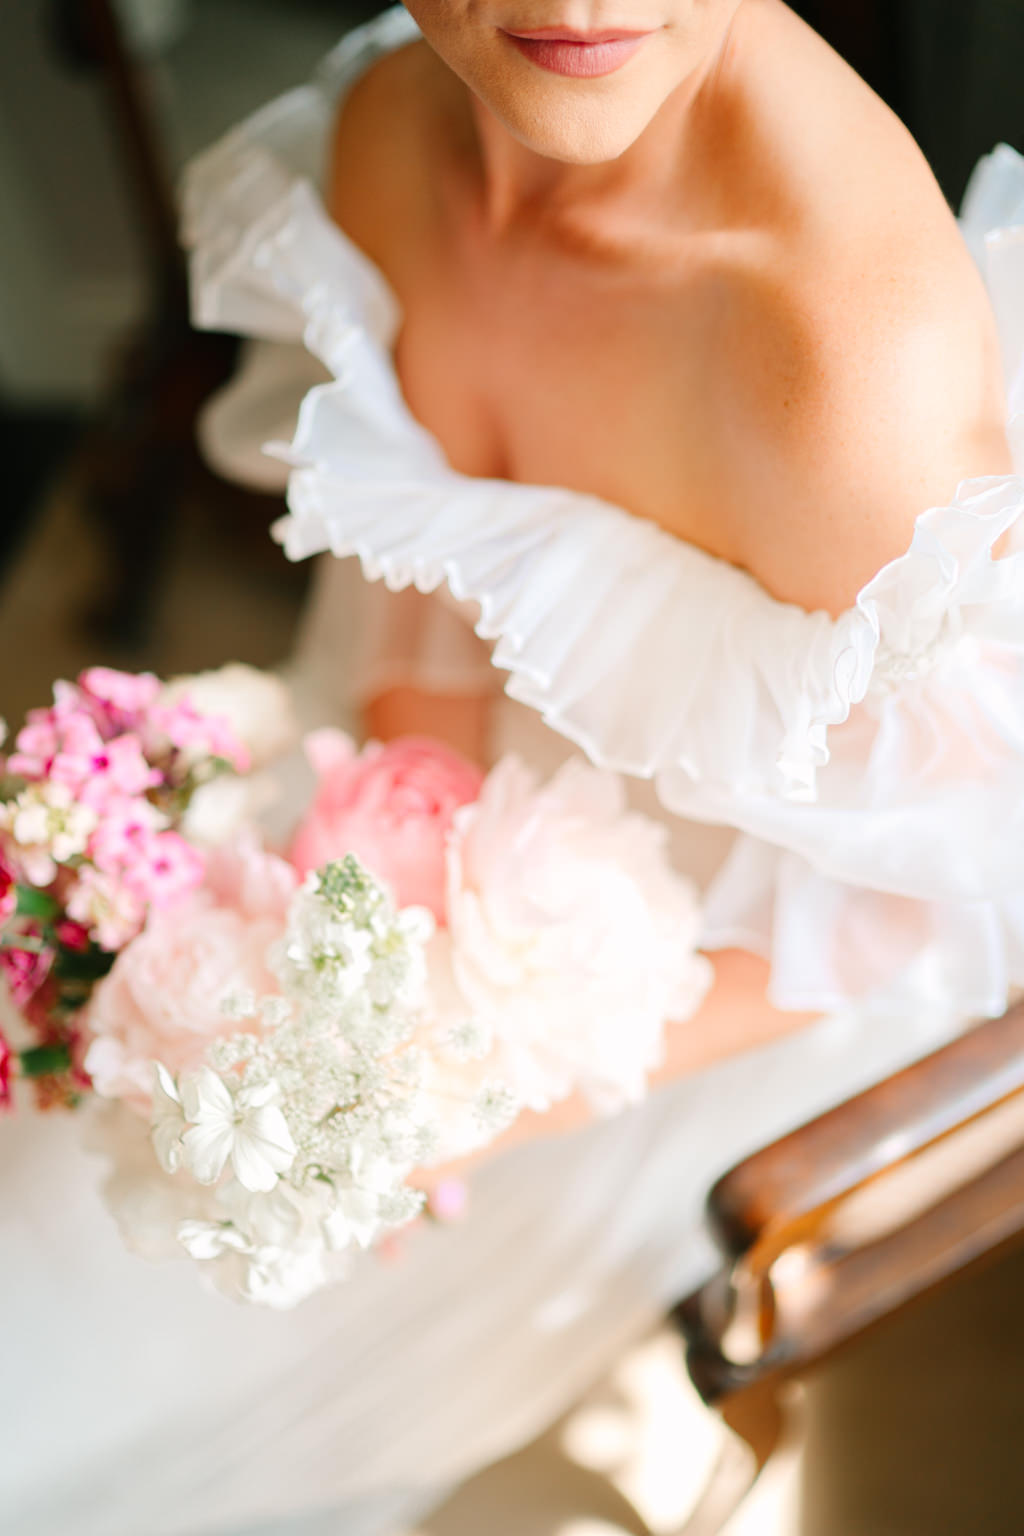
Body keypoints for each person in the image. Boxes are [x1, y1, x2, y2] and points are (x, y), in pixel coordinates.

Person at [4, 4, 1024, 1533]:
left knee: (111, 1320)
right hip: (458, 837)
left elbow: (930, 909)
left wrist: (451, 1091)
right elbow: (432, 562)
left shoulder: (842, 375)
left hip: (735, 960)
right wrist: (373, 874)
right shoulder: (395, 138)